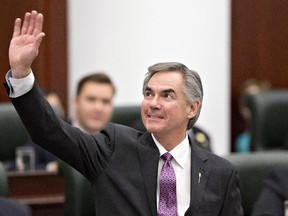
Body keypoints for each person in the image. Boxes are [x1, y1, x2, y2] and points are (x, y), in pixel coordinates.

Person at [4, 10, 243, 215]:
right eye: (148, 94)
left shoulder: (220, 173)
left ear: (192, 108)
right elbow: (50, 132)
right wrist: (22, 72)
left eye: (166, 95)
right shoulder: (114, 149)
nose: (153, 103)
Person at [235, 78, 271, 153]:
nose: (253, 109)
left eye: (256, 104)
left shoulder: (277, 138)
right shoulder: (243, 141)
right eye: (249, 103)